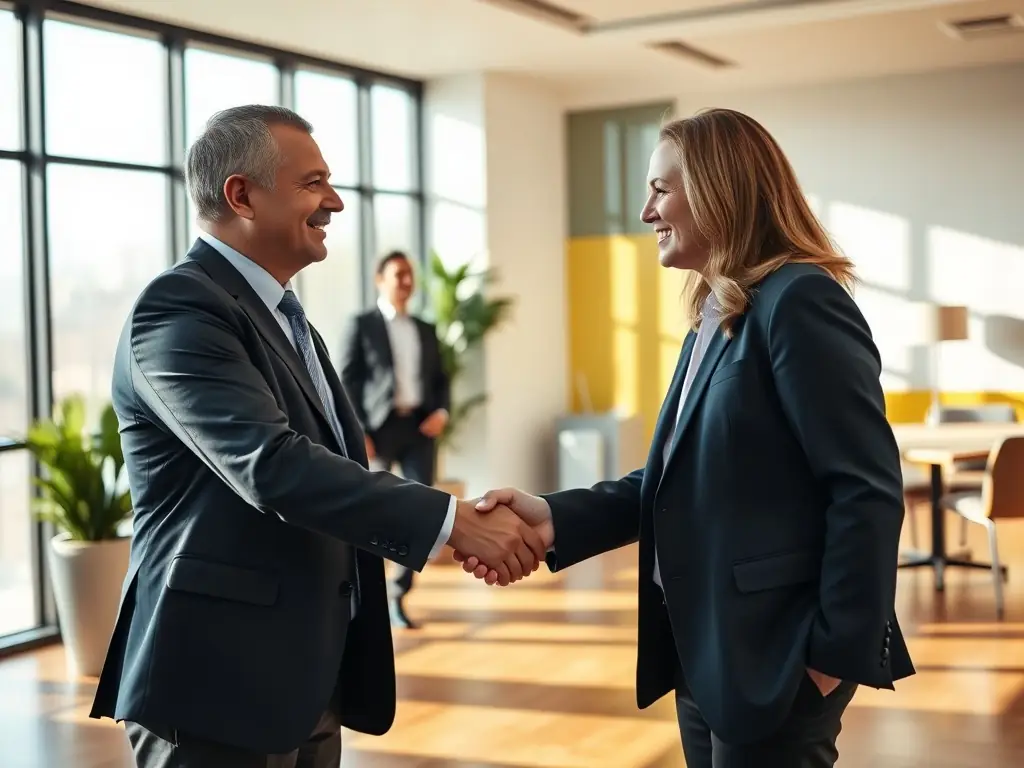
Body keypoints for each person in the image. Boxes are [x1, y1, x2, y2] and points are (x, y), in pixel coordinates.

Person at [89, 104, 545, 768]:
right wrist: (452, 521)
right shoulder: (179, 309)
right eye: (313, 183)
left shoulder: (286, 316)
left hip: (304, 676)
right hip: (215, 684)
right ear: (241, 194)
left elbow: (331, 464)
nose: (334, 201)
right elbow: (271, 465)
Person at [457, 108, 915, 767]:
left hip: (776, 657)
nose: (645, 212)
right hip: (708, 649)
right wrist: (554, 516)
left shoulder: (800, 302)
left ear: (718, 188)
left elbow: (866, 489)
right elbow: (674, 479)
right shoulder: (719, 309)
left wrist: (829, 659)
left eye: (660, 189)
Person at [339, 250, 450, 629]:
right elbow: (347, 383)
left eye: (409, 275)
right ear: (380, 279)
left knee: (421, 511)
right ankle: (365, 593)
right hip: (378, 430)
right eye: (398, 274)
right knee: (374, 511)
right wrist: (360, 432)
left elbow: (440, 381)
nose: (406, 281)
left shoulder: (425, 328)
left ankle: (398, 594)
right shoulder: (362, 325)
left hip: (419, 429)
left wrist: (442, 413)